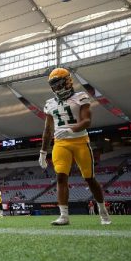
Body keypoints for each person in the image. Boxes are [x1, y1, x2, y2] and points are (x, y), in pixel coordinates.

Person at [38, 68, 110, 226]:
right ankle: (64, 215)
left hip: (79, 141)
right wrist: (43, 151)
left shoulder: (80, 97)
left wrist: (71, 129)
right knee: (61, 176)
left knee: (89, 178)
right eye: (53, 85)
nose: (56, 87)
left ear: (67, 81)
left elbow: (86, 121)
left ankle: (103, 211)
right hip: (60, 143)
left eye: (58, 83)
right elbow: (48, 129)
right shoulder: (50, 104)